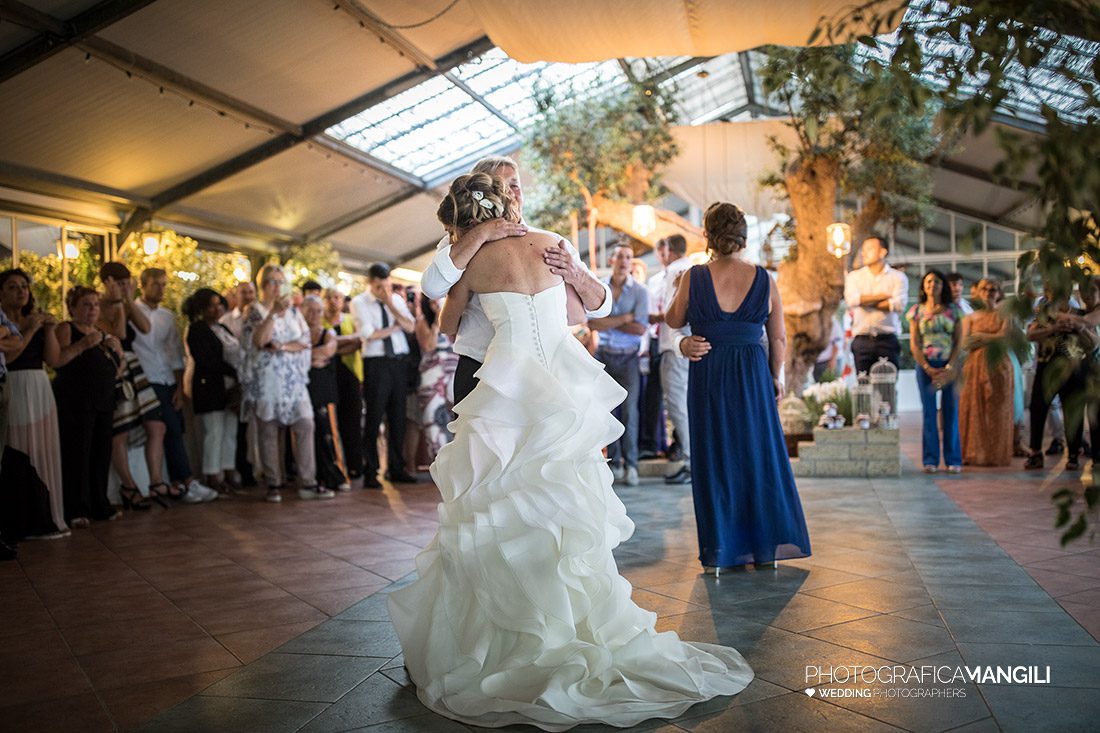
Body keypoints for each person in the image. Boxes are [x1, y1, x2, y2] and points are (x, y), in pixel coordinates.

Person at [388, 172, 752, 731]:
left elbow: (454, 313)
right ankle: (566, 621)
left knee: (508, 502)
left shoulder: (496, 254)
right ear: (499, 202)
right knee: (551, 500)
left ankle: (517, 632)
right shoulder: (507, 245)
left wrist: (561, 268)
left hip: (508, 387)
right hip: (549, 383)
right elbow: (580, 313)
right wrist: (488, 245)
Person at [666, 202, 811, 572]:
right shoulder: (764, 279)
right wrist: (774, 378)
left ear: (707, 234)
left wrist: (685, 329)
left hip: (710, 372)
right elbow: (778, 339)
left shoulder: (694, 277)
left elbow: (673, 319)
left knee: (715, 457)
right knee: (757, 455)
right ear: (743, 235)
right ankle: (765, 548)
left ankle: (720, 550)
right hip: (751, 376)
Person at [419, 155, 612, 406]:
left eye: (516, 183)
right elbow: (432, 287)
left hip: (545, 369)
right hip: (480, 366)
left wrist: (576, 274)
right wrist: (482, 234)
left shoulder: (551, 241)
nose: (513, 191)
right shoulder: (460, 242)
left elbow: (600, 308)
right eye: (502, 185)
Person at [242, 264, 331, 502]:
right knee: (269, 430)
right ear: (263, 285)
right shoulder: (254, 310)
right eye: (273, 282)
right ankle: (274, 483)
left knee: (305, 423)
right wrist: (272, 316)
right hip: (267, 380)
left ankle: (308, 482)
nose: (278, 287)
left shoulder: (292, 311)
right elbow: (260, 340)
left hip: (294, 380)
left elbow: (304, 341)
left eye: (281, 282)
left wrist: (281, 346)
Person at [131, 268, 218, 503]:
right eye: (156, 284)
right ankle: (186, 481)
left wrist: (179, 388)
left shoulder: (168, 317)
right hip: (145, 379)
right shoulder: (132, 312)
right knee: (166, 426)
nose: (161, 289)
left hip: (167, 379)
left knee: (175, 428)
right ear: (143, 285)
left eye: (164, 284)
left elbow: (175, 355)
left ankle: (179, 482)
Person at [97, 262, 172, 509]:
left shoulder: (127, 303)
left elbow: (145, 327)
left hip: (134, 368)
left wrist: (128, 301)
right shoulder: (96, 304)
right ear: (107, 283)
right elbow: (119, 332)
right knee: (119, 431)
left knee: (157, 425)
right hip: (114, 368)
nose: (122, 287)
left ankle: (156, 482)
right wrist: (117, 303)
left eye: (126, 283)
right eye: (118, 283)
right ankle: (128, 486)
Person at [0, 268, 67, 535]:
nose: (21, 292)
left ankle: (47, 515)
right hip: (12, 384)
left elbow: (52, 360)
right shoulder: (11, 326)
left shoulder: (34, 321)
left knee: (43, 450)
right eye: (13, 287)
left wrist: (47, 329)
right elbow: (11, 359)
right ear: (1, 292)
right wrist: (28, 330)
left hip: (39, 387)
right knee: (15, 450)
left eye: (24, 287)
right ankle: (19, 517)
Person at [53, 287, 124, 526]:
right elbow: (58, 361)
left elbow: (117, 368)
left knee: (100, 453)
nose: (92, 308)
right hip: (75, 400)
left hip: (103, 399)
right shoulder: (66, 328)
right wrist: (84, 344)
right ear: (73, 307)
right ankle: (76, 509)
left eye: (95, 304)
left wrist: (117, 353)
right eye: (86, 304)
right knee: (77, 454)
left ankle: (99, 504)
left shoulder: (102, 332)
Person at [351, 263, 417, 488]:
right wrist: (394, 328)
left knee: (398, 417)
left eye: (386, 284)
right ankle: (371, 470)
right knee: (374, 416)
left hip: (398, 362)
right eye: (379, 285)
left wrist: (390, 303)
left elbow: (410, 326)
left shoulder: (395, 300)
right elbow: (369, 335)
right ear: (370, 283)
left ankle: (396, 467)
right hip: (376, 363)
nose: (383, 289)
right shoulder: (359, 303)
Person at [588, 245, 649, 487]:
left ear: (632, 262)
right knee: (607, 412)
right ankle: (613, 463)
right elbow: (592, 323)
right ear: (612, 260)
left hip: (628, 357)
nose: (624, 261)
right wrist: (625, 318)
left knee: (630, 412)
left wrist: (609, 322)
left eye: (628, 257)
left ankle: (631, 465)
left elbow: (641, 328)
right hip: (604, 355)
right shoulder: (600, 286)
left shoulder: (641, 292)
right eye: (620, 257)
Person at [1025, 287, 1096, 470]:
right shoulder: (1042, 315)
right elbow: (1031, 334)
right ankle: (1035, 452)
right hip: (1046, 367)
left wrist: (1079, 328)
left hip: (1075, 369)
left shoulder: (1081, 314)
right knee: (1038, 407)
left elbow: (1094, 342)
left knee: (1074, 412)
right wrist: (1054, 328)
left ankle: (1073, 454)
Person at [183, 288, 241, 494]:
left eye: (219, 304)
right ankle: (212, 475)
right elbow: (206, 360)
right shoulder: (197, 329)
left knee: (229, 431)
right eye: (211, 305)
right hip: (210, 387)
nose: (217, 309)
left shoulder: (223, 328)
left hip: (229, 387)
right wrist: (231, 371)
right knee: (214, 432)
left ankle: (227, 471)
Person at [907, 270, 965, 473]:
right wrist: (926, 367)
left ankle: (953, 460)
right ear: (923, 286)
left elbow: (959, 341)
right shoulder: (916, 311)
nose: (933, 285)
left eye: (937, 282)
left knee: (951, 412)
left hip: (950, 366)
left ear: (943, 286)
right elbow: (915, 343)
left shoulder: (954, 310)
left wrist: (950, 365)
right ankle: (930, 460)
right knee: (929, 414)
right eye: (929, 281)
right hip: (926, 367)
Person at [959, 278, 1014, 466]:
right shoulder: (970, 318)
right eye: (985, 289)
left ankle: (995, 454)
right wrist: (993, 337)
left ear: (999, 293)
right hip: (974, 367)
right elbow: (966, 343)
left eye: (993, 289)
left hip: (999, 366)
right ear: (978, 292)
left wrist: (981, 336)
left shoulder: (1005, 315)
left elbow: (1004, 338)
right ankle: (975, 453)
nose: (989, 293)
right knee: (974, 409)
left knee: (998, 410)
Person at [654, 234, 695, 484]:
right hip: (685, 344)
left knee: (677, 404)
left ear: (669, 250)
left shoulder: (676, 271)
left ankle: (692, 460)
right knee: (682, 403)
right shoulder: (692, 268)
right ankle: (691, 458)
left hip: (675, 344)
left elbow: (673, 310)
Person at [302, 295, 350, 492]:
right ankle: (316, 476)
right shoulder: (298, 333)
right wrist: (309, 358)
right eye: (310, 310)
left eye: (318, 311)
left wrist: (301, 356)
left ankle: (337, 475)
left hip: (324, 391)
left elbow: (327, 352)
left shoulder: (327, 333)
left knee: (329, 433)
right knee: (309, 435)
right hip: (303, 391)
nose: (314, 315)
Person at [844, 236, 908, 373]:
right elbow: (852, 300)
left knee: (887, 387)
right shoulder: (854, 277)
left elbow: (898, 305)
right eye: (863, 250)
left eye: (869, 249)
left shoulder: (898, 277)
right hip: (861, 340)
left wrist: (864, 301)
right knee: (863, 387)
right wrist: (884, 296)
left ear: (882, 252)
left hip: (887, 340)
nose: (863, 253)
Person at [322, 288, 364, 481]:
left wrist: (331, 348)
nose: (332, 301)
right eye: (328, 298)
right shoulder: (318, 320)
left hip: (350, 376)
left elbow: (357, 342)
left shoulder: (349, 319)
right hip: (327, 376)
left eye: (336, 297)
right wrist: (338, 345)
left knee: (353, 422)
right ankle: (334, 466)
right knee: (330, 423)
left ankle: (355, 465)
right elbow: (318, 344)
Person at [221, 279, 258, 486]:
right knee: (238, 428)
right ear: (236, 296)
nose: (249, 296)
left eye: (251, 292)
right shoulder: (226, 321)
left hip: (257, 378)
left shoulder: (260, 318)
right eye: (244, 292)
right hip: (236, 380)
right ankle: (240, 469)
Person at [414, 293, 460, 461]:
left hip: (453, 371)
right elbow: (428, 345)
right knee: (434, 421)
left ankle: (457, 464)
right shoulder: (421, 321)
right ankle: (439, 463)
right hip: (431, 377)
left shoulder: (455, 317)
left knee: (458, 418)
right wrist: (436, 319)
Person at [639, 239, 668, 460]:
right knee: (653, 394)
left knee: (674, 395)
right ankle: (649, 442)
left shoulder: (682, 274)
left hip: (672, 339)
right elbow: (647, 319)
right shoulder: (655, 281)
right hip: (655, 339)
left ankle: (666, 442)